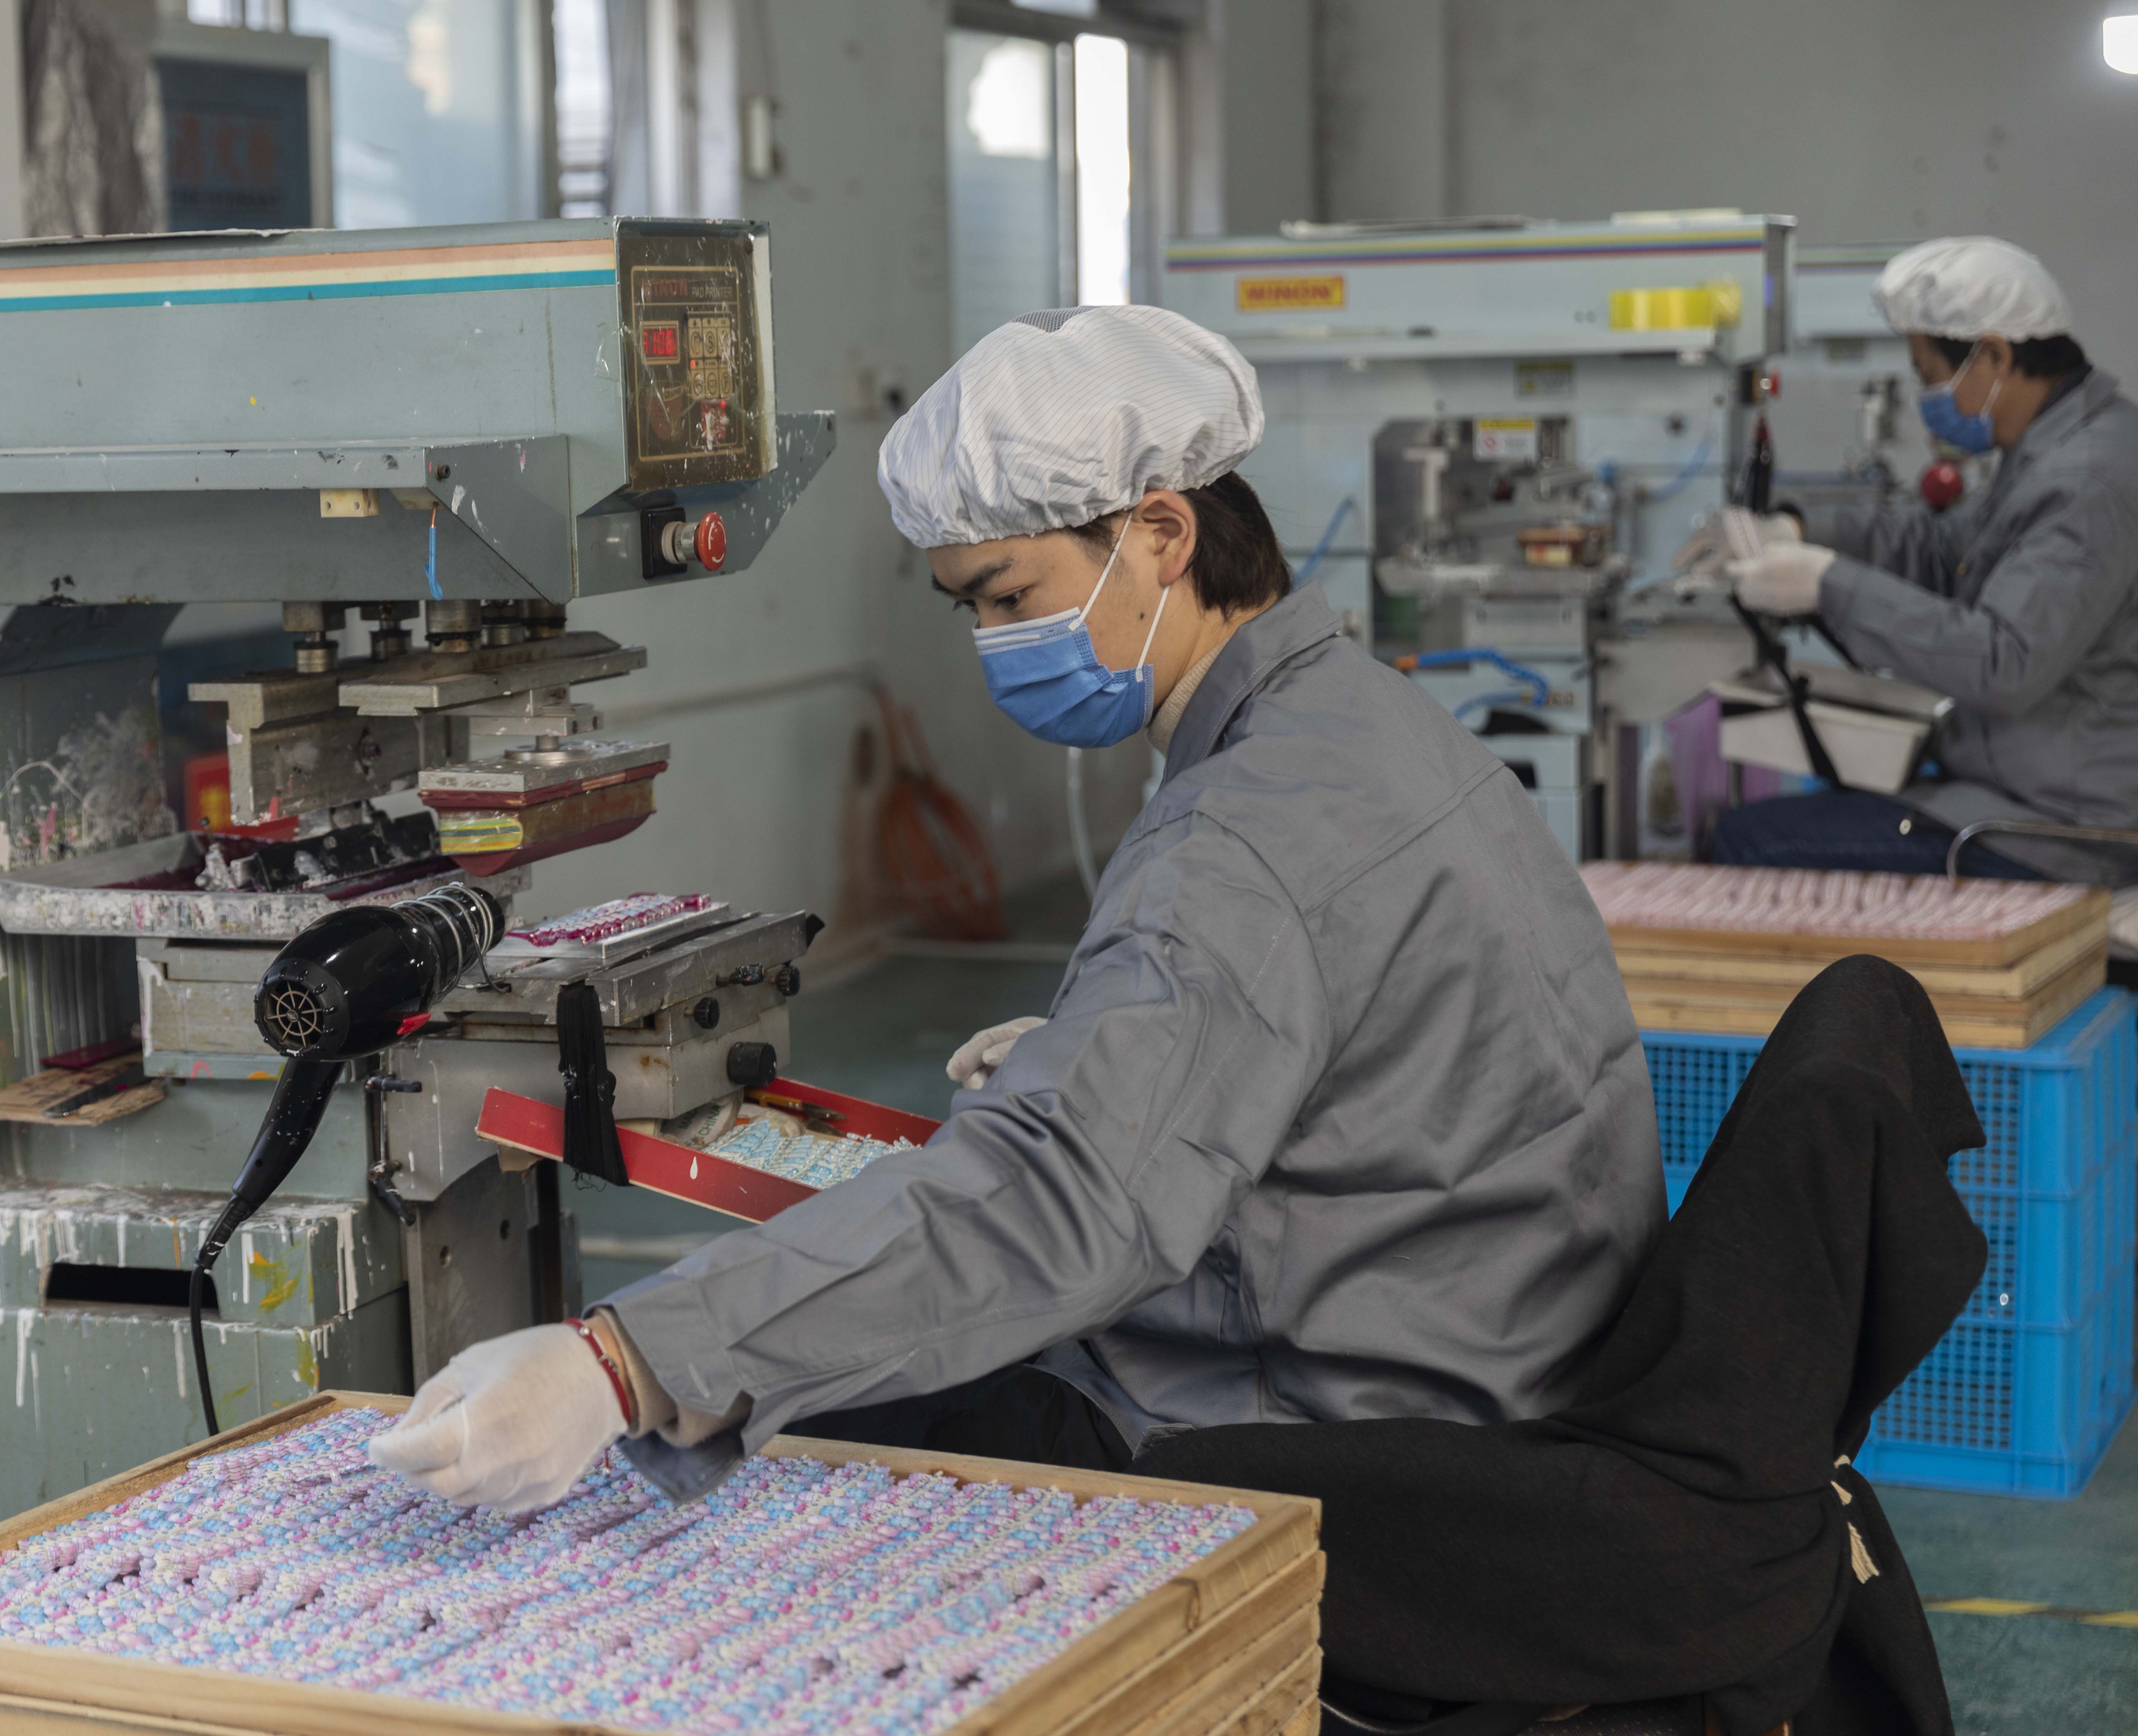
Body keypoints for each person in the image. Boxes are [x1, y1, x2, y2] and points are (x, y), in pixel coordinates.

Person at [367, 304, 1666, 1513]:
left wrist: (624, 1364)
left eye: (1008, 598)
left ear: (1162, 536)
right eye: (970, 610)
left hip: (1331, 1424)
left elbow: (1062, 1203)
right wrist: (1120, 1049)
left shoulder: (1235, 843)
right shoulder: (1364, 725)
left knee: (803, 1436)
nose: (993, 643)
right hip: (1498, 1350)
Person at [1708, 236, 2138, 882]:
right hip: (2020, 787)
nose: (1927, 396)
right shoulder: (2057, 448)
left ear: (1994, 355)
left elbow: (2002, 663)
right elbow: (1942, 548)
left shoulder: (2087, 480)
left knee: (1747, 841)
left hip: (2058, 829)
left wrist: (1825, 585)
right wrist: (1795, 527)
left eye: (1929, 374)